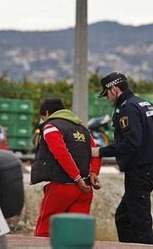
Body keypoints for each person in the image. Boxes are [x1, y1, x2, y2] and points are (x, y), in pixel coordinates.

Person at [91, 72, 153, 244]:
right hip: (152, 167)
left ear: (114, 89)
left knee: (140, 223)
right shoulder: (143, 103)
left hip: (141, 171)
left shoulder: (127, 108)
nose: (108, 99)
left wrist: (100, 152)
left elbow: (131, 143)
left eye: (107, 94)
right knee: (124, 218)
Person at [31, 98, 102, 237]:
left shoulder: (51, 127)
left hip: (62, 187)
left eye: (42, 117)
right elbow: (95, 152)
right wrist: (94, 173)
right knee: (76, 234)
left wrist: (76, 178)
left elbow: (61, 153)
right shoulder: (84, 129)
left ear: (46, 113)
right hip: (85, 190)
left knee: (46, 228)